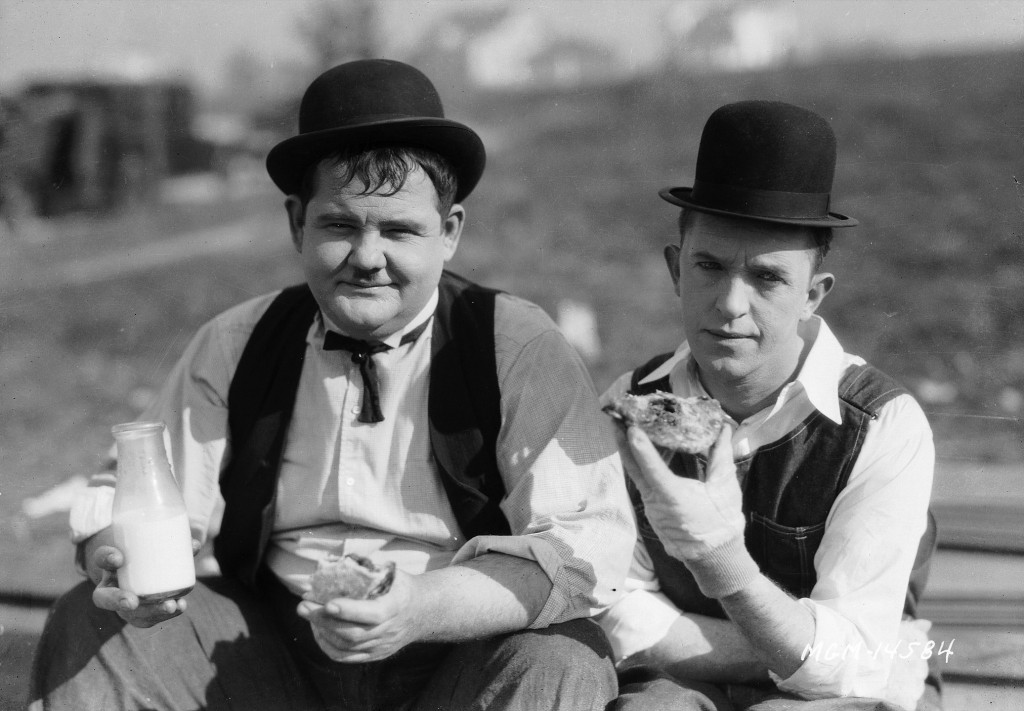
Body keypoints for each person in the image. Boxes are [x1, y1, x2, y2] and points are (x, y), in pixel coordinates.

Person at [30, 59, 634, 711]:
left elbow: (584, 545)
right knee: (89, 621)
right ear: (298, 224)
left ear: (450, 232)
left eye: (400, 230)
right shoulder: (238, 342)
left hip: (453, 655)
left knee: (564, 658)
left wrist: (420, 608)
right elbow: (133, 493)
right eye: (341, 226)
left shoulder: (513, 343)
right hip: (270, 658)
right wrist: (113, 558)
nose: (368, 257)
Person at [596, 101, 940, 711]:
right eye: (710, 266)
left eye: (767, 278)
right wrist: (783, 657)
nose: (731, 303)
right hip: (685, 684)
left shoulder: (883, 426)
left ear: (813, 294)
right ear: (676, 269)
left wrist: (719, 562)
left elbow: (851, 668)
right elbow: (614, 606)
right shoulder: (631, 403)